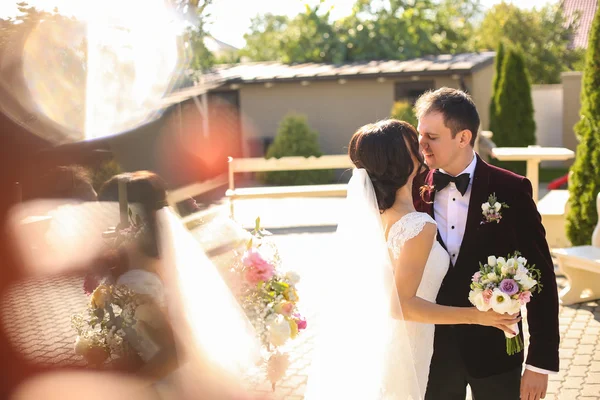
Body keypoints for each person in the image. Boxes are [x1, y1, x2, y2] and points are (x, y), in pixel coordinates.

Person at [304, 119, 521, 399]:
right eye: (413, 140)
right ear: (400, 159)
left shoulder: (374, 219)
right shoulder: (418, 225)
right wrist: (478, 316)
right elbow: (402, 306)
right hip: (407, 345)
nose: (422, 144)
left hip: (389, 340)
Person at [414, 87, 559, 400]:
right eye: (420, 134)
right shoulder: (412, 191)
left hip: (497, 352)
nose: (422, 145)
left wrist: (540, 362)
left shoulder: (511, 189)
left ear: (463, 137)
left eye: (432, 136)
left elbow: (541, 276)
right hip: (429, 356)